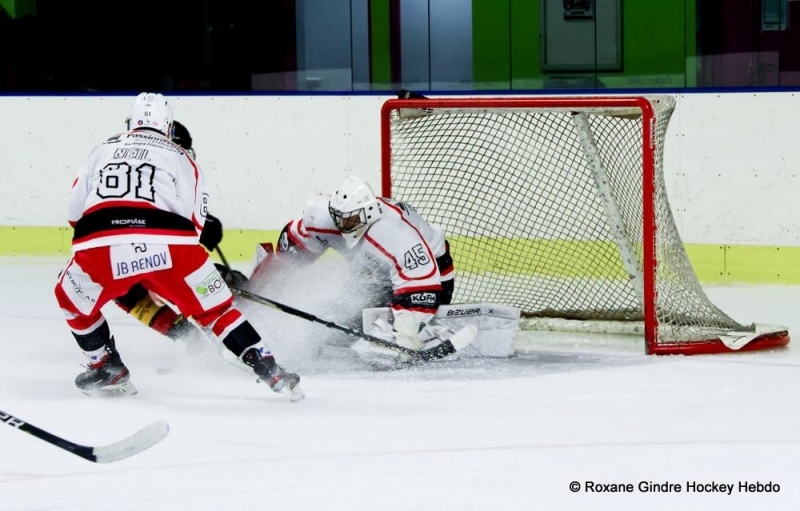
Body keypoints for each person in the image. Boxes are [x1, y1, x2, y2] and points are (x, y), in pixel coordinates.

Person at [54, 92, 303, 401]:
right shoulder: (181, 156)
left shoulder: (102, 148)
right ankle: (271, 369)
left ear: (131, 121)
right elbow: (195, 222)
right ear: (168, 125)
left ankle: (105, 367)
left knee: (69, 296)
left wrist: (114, 251)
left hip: (102, 242)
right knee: (218, 311)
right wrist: (179, 268)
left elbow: (74, 212)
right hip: (171, 246)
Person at [258, 175, 474, 365]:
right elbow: (294, 244)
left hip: (434, 275)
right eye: (339, 217)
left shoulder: (393, 232)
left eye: (350, 219)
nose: (343, 225)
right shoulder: (324, 216)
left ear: (368, 212)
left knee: (393, 335)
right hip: (374, 273)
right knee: (338, 329)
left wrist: (405, 334)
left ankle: (426, 330)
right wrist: (270, 277)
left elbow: (421, 280)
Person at [112, 120, 246, 343]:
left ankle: (221, 317)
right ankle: (189, 337)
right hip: (131, 252)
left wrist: (203, 225)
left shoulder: (140, 160)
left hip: (153, 253)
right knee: (124, 286)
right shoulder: (141, 165)